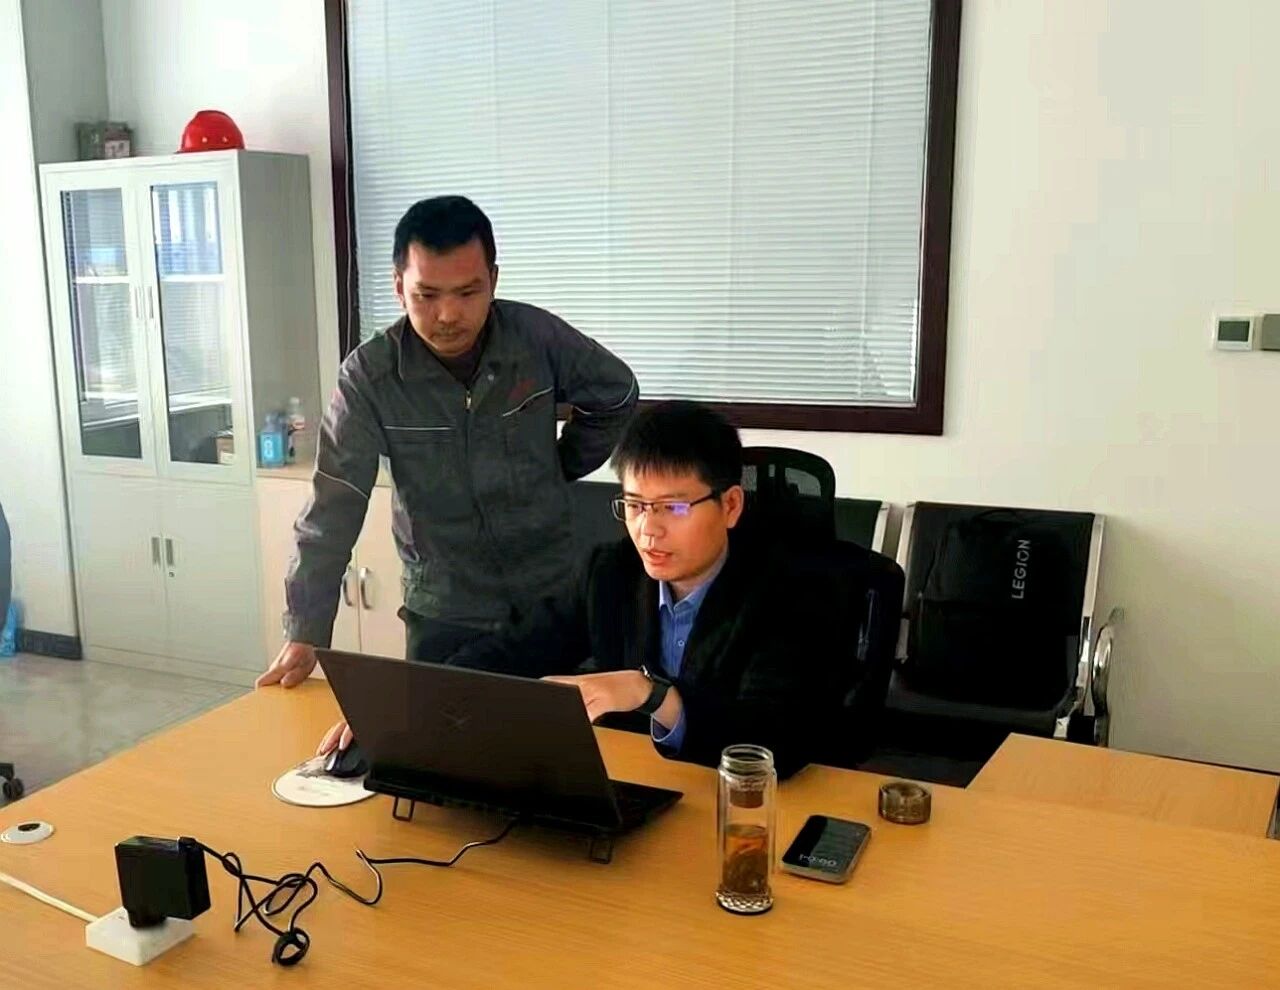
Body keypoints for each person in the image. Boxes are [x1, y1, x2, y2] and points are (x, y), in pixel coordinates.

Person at [317, 401, 860, 777]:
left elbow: (776, 739)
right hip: (644, 791)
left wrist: (651, 694)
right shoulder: (612, 571)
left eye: (673, 508)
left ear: (731, 505)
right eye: (636, 505)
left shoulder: (794, 593)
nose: (648, 530)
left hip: (747, 815)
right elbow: (515, 649)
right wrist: (406, 703)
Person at [257, 195, 637, 690]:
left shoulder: (535, 338)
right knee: (437, 734)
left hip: (551, 596)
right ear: (399, 287)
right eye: (427, 295)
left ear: (493, 281)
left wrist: (559, 464)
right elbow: (333, 505)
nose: (448, 314)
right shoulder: (370, 377)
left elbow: (616, 394)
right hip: (445, 609)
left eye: (468, 292)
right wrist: (306, 629)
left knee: (562, 732)